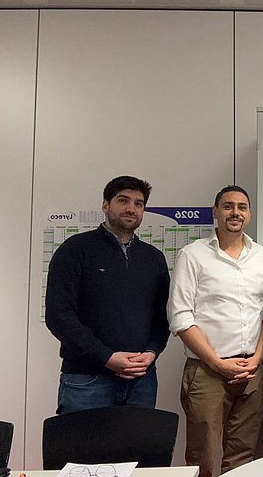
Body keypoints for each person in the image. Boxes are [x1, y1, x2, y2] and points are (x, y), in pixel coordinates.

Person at [168, 185, 263, 477]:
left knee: (242, 457)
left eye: (242, 207)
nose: (235, 213)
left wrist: (257, 358)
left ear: (249, 214)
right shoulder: (193, 255)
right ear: (215, 212)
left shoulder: (261, 256)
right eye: (228, 206)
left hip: (251, 370)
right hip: (207, 371)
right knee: (201, 458)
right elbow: (180, 316)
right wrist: (217, 362)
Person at [45, 175, 170, 414]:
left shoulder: (154, 258)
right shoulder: (75, 250)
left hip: (141, 381)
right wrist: (107, 357)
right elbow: (59, 316)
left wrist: (152, 352)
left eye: (138, 203)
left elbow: (162, 317)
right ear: (105, 205)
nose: (131, 208)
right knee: (83, 440)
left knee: (137, 440)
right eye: (123, 200)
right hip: (87, 380)